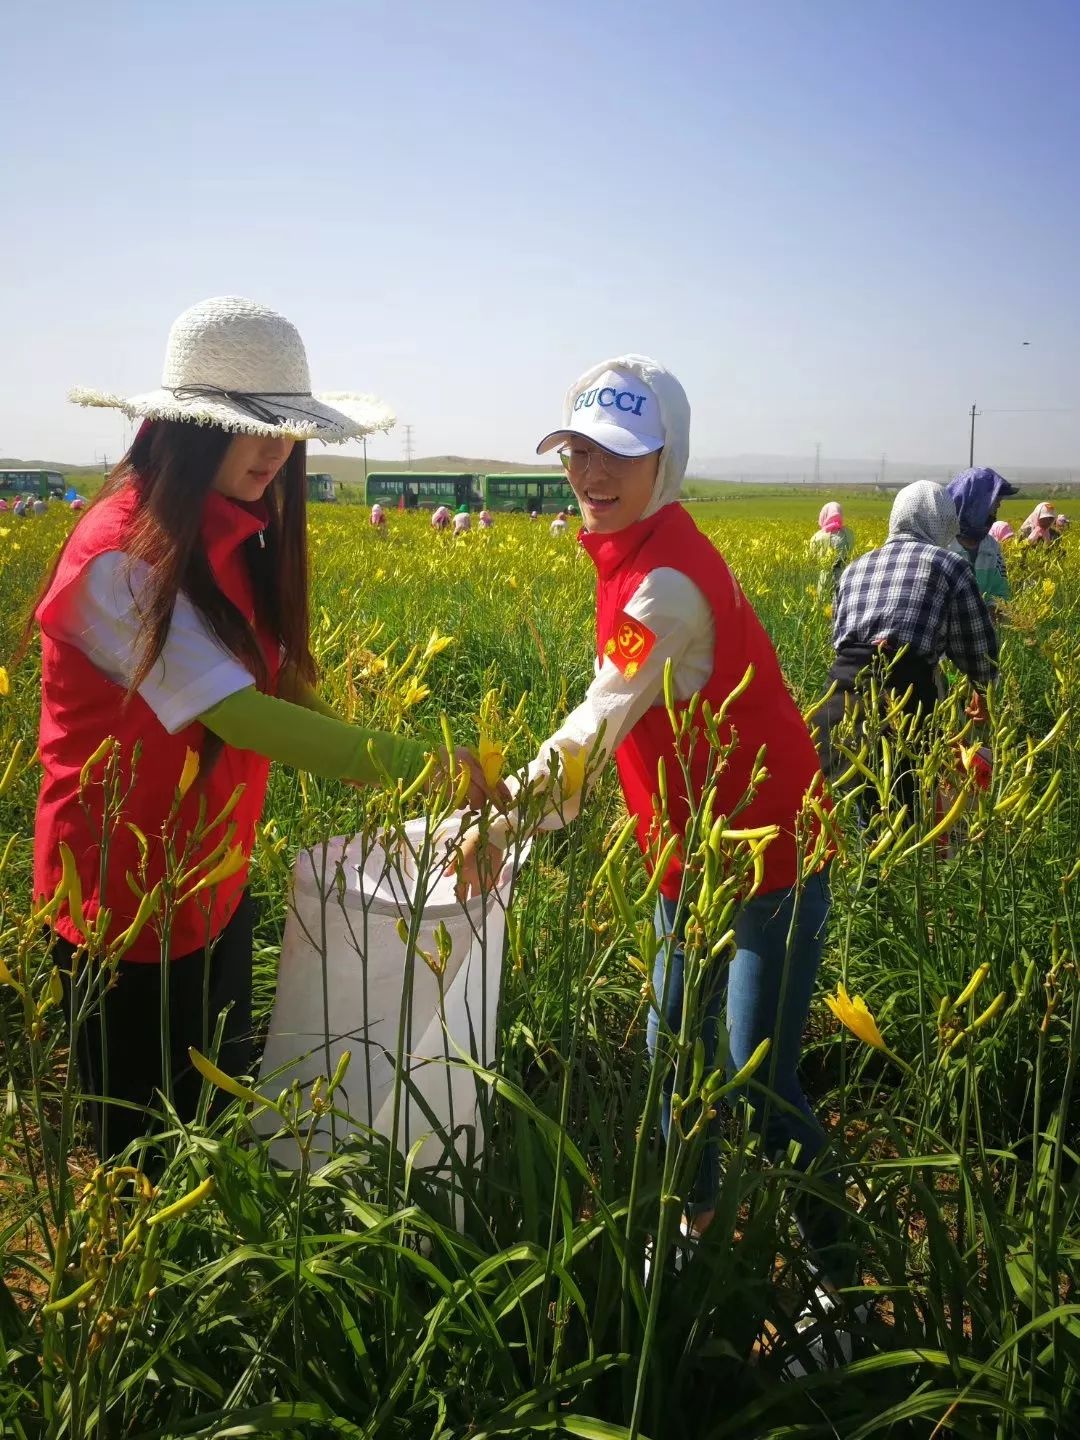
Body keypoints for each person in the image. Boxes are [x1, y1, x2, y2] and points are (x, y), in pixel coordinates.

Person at [30, 296, 499, 1162]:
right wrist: (423, 769)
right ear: (185, 429)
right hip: (122, 896)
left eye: (287, 426)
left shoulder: (236, 537)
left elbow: (275, 680)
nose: (277, 448)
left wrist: (411, 760)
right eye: (250, 426)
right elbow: (240, 716)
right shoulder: (115, 559)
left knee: (212, 1114)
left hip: (212, 875)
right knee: (142, 1147)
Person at [456, 355, 843, 1282]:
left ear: (664, 463)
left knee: (757, 1079)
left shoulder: (664, 579)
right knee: (675, 1051)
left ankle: (844, 1282)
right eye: (577, 449)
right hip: (694, 851)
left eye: (618, 454)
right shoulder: (633, 553)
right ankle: (693, 1228)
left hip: (773, 851)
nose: (590, 473)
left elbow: (597, 720)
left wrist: (503, 818)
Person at [815, 481, 998, 825]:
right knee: (902, 812)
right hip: (903, 701)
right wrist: (984, 691)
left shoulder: (855, 568)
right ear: (942, 521)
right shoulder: (950, 565)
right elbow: (978, 650)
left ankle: (869, 873)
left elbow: (840, 641)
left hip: (839, 699)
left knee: (860, 809)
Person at [946, 466, 1018, 608]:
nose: (998, 506)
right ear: (976, 503)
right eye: (995, 500)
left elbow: (1000, 594)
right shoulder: (943, 544)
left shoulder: (991, 546)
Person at [809, 502, 854, 591]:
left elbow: (812, 559)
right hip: (846, 577)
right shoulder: (849, 534)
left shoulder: (817, 537)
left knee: (825, 602)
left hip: (825, 578)